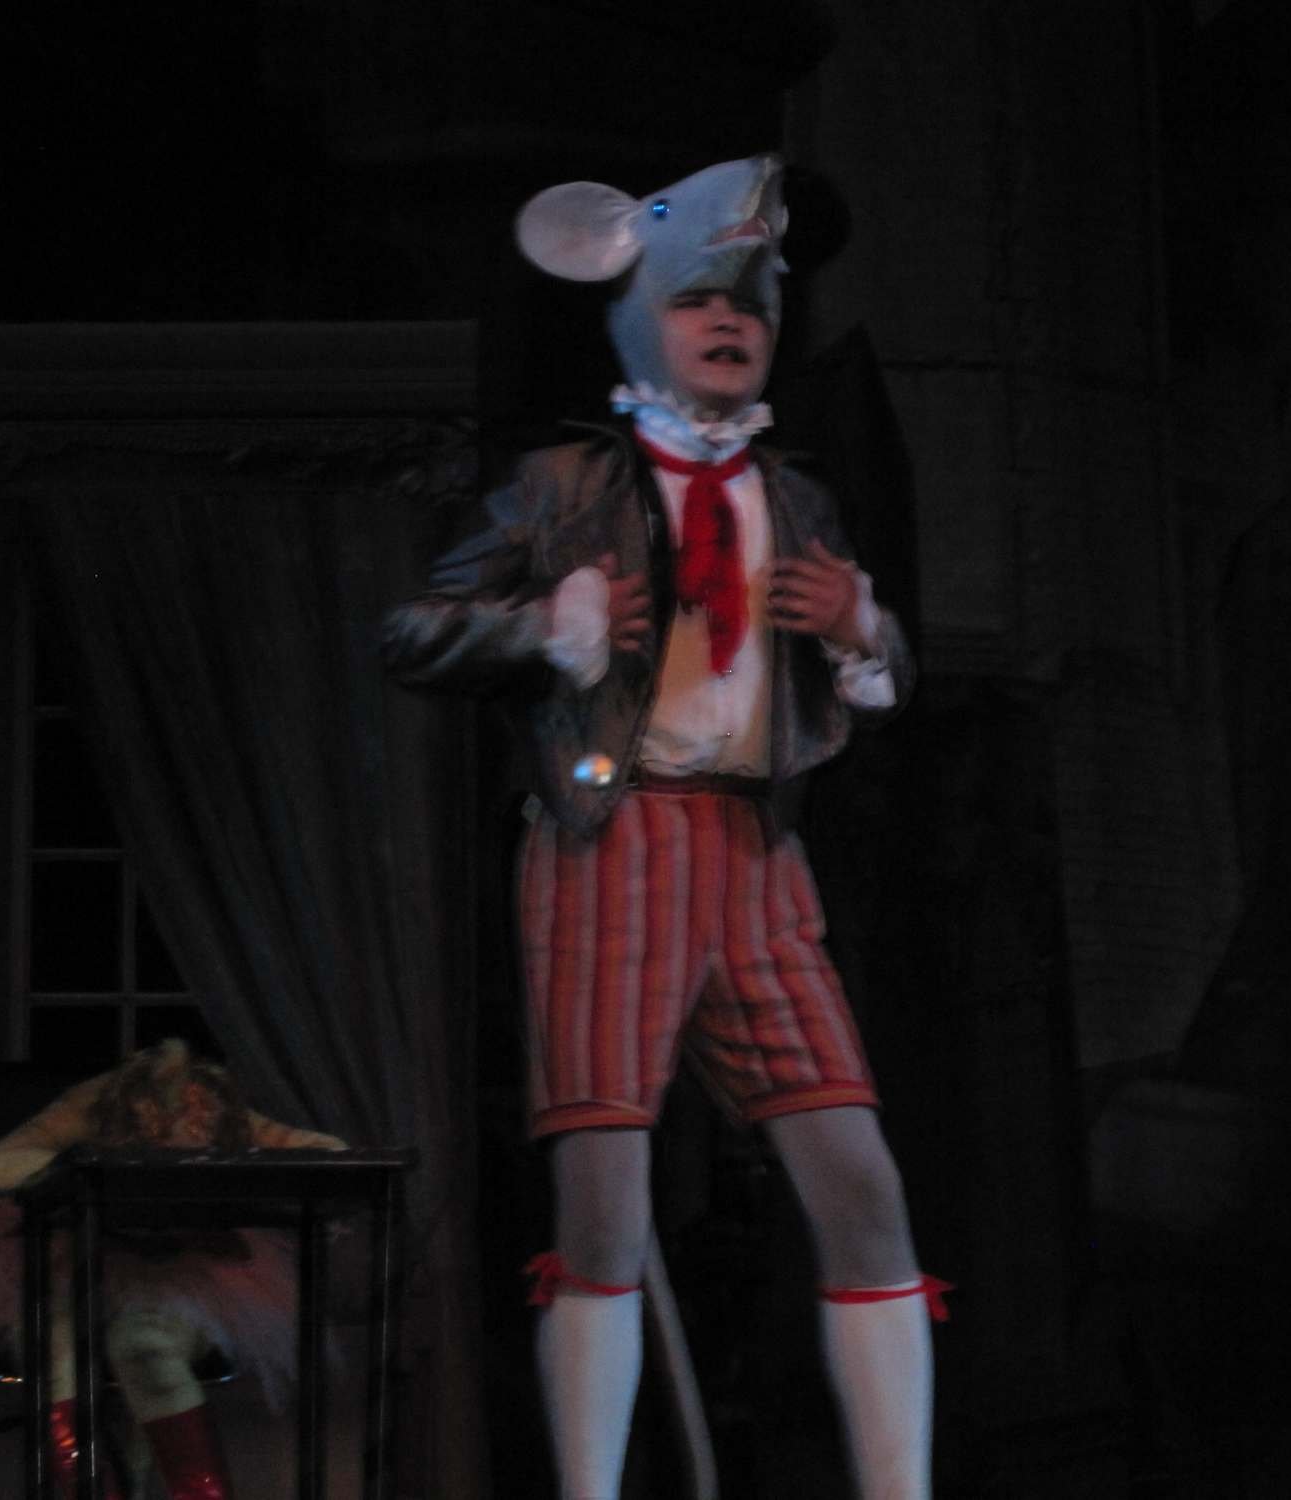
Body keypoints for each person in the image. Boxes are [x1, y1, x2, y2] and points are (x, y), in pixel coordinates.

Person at [382, 153, 947, 1500]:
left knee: (862, 1186)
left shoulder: (795, 496)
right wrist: (547, 626)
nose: (729, 322)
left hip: (757, 856)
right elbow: (413, 630)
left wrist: (861, 633)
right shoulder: (562, 484)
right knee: (604, 1207)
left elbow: (875, 675)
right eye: (698, 299)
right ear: (640, 318)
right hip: (610, 846)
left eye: (751, 303)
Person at [0, 1039, 347, 1500]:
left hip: (186, 1268)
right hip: (76, 1259)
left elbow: (327, 1152)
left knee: (144, 1344)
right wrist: (90, 1173)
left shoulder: (211, 1101)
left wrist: (226, 1180)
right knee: (56, 1341)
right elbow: (1, 1167)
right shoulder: (96, 1102)